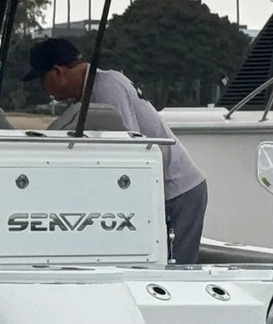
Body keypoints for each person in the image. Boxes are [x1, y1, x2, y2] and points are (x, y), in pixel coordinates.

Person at [20, 36, 210, 265]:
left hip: (178, 191)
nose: (44, 90)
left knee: (173, 273)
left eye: (42, 81)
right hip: (162, 191)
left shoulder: (105, 89)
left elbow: (131, 150)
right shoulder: (91, 92)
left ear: (57, 73)